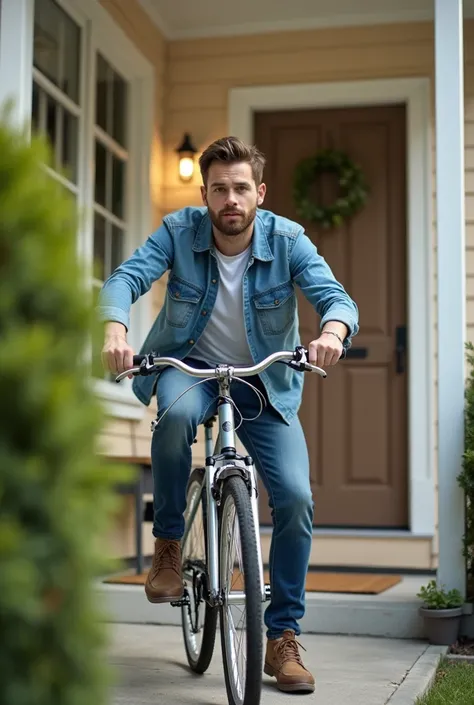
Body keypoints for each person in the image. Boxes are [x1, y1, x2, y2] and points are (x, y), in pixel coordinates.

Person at [98, 136, 359, 694]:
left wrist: (332, 333)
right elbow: (126, 278)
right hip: (188, 368)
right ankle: (168, 546)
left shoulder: (288, 241)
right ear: (206, 194)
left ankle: (282, 638)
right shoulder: (178, 231)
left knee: (294, 497)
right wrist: (116, 327)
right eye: (220, 189)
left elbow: (337, 299)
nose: (231, 199)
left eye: (241, 188)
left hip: (263, 383)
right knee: (172, 420)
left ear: (259, 192)